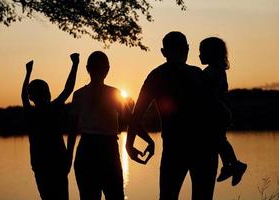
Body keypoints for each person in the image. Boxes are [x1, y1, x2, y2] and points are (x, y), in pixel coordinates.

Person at [126, 31, 219, 200]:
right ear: (187, 49)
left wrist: (129, 143)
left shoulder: (156, 76)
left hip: (175, 148)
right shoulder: (199, 74)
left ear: (163, 52)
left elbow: (136, 115)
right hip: (205, 147)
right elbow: (215, 114)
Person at [67, 51, 153, 200]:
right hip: (107, 150)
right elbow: (131, 120)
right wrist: (148, 139)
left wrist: (69, 155)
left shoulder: (79, 95)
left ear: (87, 68)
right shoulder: (114, 93)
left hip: (87, 150)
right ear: (107, 69)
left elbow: (72, 130)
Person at [21, 53, 79, 200]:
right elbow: (68, 89)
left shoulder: (30, 113)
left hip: (40, 165)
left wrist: (27, 73)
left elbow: (23, 96)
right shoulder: (53, 109)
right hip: (58, 163)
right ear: (48, 93)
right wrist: (75, 64)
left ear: (31, 97)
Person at [199, 37, 247, 186]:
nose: (199, 55)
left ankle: (235, 165)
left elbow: (206, 92)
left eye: (202, 52)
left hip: (217, 113)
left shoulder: (212, 71)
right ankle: (229, 165)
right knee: (219, 140)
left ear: (212, 53)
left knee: (218, 140)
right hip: (220, 111)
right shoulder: (216, 70)